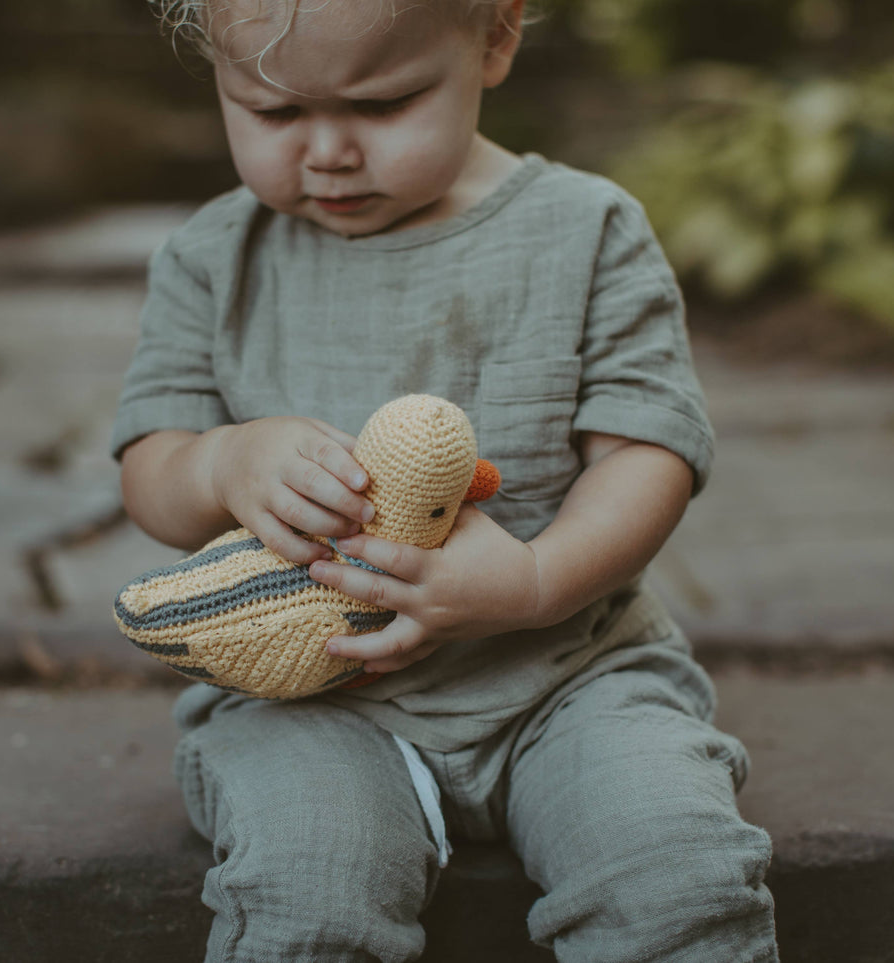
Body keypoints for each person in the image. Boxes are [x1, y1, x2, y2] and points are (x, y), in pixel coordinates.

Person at [111, 0, 779, 959]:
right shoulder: (213, 259)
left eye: (384, 105)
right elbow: (150, 471)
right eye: (272, 112)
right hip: (309, 702)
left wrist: (538, 582)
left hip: (569, 673)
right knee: (309, 879)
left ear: (496, 38)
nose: (330, 151)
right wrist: (222, 459)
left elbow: (646, 451)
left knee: (672, 866)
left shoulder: (585, 230)